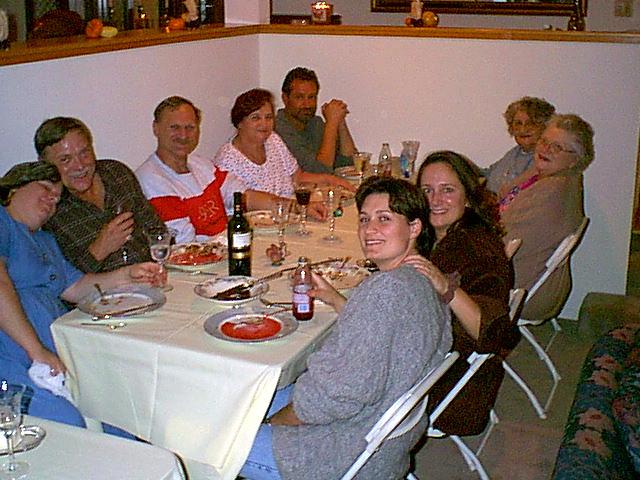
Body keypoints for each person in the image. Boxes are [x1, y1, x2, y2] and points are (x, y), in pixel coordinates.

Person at [239, 176, 452, 480]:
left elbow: (336, 395)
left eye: (385, 219)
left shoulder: (384, 293)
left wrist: (274, 424)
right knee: (248, 392)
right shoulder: (421, 277)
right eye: (364, 219)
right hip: (381, 437)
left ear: (415, 227)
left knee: (207, 438)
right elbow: (380, 333)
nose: (370, 230)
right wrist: (334, 297)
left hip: (343, 453)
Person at [0, 161, 164, 428]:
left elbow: (76, 287)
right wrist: (36, 350)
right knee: (69, 423)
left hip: (58, 349)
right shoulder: (3, 222)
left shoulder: (45, 241)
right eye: (44, 188)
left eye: (56, 198)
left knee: (121, 410)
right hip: (15, 354)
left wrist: (128, 275)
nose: (51, 200)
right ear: (13, 189)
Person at [406, 150, 519, 436]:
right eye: (427, 191)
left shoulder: (476, 248)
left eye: (447, 190)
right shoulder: (445, 236)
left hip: (450, 389)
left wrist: (445, 286)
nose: (435, 200)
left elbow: (492, 333)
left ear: (467, 196)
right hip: (439, 367)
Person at [136, 96, 311, 244]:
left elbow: (244, 196)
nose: (183, 135)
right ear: (156, 128)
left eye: (190, 127)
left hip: (228, 246)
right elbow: (186, 244)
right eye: (175, 127)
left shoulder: (201, 165)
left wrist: (299, 207)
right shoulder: (152, 179)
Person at [36, 117, 165, 273]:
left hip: (153, 277)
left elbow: (156, 229)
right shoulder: (49, 207)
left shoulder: (116, 173)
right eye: (65, 159)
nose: (80, 165)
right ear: (45, 164)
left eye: (84, 153)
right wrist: (100, 249)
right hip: (102, 292)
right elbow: (62, 281)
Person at [499, 114, 594, 320]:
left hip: (522, 290)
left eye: (558, 147)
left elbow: (501, 241)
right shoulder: (556, 176)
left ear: (575, 159)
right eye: (544, 141)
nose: (546, 149)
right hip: (533, 279)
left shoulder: (550, 192)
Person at [214, 88, 355, 198]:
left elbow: (298, 177)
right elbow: (240, 203)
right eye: (255, 118)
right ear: (239, 123)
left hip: (287, 216)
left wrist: (332, 180)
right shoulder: (227, 159)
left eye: (268, 117)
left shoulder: (273, 140)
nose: (264, 124)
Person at [275, 67, 357, 174]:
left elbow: (349, 165)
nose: (307, 104)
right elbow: (319, 170)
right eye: (299, 97)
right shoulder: (278, 129)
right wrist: (331, 123)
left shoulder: (316, 123)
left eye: (311, 97)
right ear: (285, 98)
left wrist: (340, 122)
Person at [485, 97, 556, 194]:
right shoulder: (514, 153)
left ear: (545, 126)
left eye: (530, 123)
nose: (523, 129)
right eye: (518, 123)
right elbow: (487, 173)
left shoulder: (545, 158)